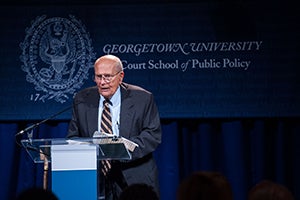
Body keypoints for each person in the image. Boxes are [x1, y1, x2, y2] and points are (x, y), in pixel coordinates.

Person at [67, 54, 162, 200]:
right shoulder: (82, 99)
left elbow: (152, 135)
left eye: (107, 76)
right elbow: (73, 137)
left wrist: (121, 150)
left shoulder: (142, 98)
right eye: (98, 77)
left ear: (121, 76)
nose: (102, 82)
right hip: (96, 178)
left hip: (134, 175)